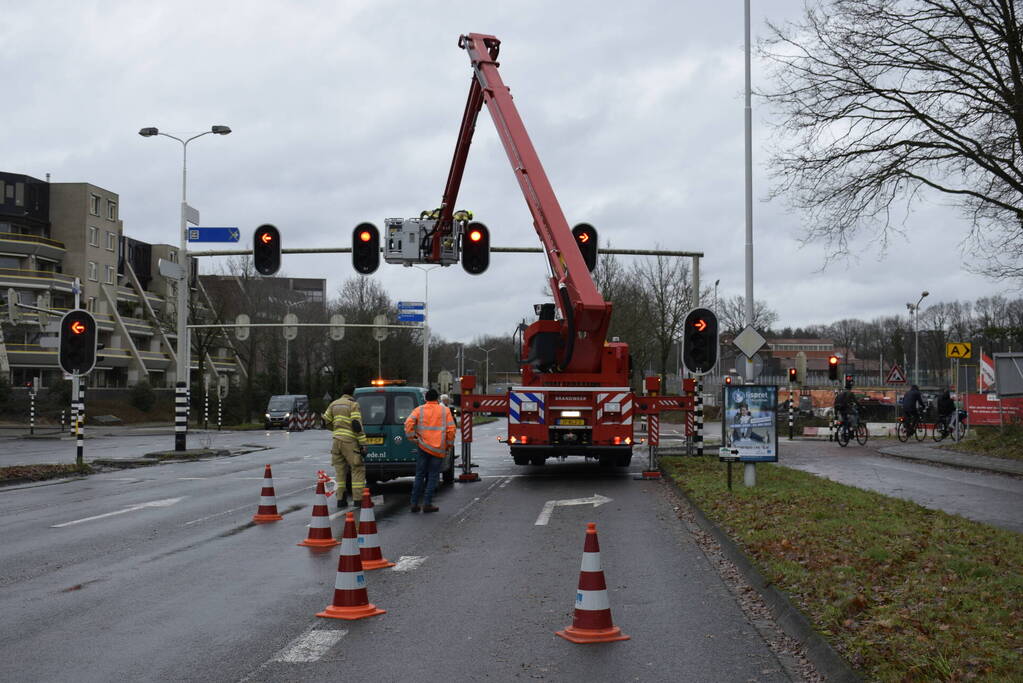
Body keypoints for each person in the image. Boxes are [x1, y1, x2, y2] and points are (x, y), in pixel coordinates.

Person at [404, 388, 456, 513]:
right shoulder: (445, 411)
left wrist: (413, 438)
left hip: (423, 447)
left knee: (419, 475)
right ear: (438, 399)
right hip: (438, 449)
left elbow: (408, 424)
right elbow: (451, 430)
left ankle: (414, 503)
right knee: (433, 476)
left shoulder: (419, 410)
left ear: (426, 398)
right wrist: (448, 446)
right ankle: (427, 503)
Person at [323, 383, 367, 509]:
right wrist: (363, 443)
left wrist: (336, 429)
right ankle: (358, 500)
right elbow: (356, 425)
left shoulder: (334, 403)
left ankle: (340, 499)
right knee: (357, 469)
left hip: (336, 441)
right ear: (352, 392)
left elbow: (325, 420)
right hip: (350, 442)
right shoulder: (353, 404)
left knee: (340, 471)